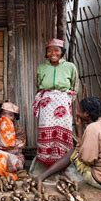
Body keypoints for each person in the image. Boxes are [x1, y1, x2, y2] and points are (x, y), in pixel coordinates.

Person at [37, 97, 101, 191]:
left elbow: (87, 160)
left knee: (72, 152)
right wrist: (79, 128)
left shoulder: (92, 128)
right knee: (77, 151)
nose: (77, 113)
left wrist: (76, 155)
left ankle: (42, 176)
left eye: (78, 110)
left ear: (86, 113)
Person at [32, 38, 79, 169]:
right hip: (46, 102)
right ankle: (46, 159)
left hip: (63, 101)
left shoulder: (70, 67)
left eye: (56, 50)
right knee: (46, 127)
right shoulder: (41, 67)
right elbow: (37, 84)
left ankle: (63, 159)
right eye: (49, 50)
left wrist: (68, 99)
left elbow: (75, 85)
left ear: (62, 52)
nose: (53, 53)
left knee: (63, 129)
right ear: (46, 53)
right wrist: (46, 96)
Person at [0, 102, 26, 181]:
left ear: (14, 117)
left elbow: (22, 143)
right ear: (0, 115)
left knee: (7, 158)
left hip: (13, 153)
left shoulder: (18, 128)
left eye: (10, 115)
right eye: (4, 114)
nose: (6, 117)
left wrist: (10, 146)